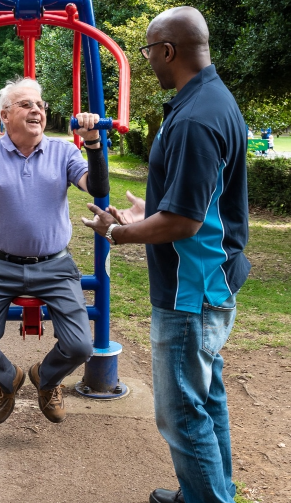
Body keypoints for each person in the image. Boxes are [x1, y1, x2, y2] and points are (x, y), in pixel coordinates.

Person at [81, 7, 250, 503]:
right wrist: (146, 211)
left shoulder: (197, 118)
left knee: (179, 411)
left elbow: (184, 222)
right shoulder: (209, 100)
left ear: (168, 51)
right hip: (210, 282)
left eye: (148, 49)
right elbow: (193, 202)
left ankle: (208, 498)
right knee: (207, 397)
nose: (148, 59)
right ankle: (211, 490)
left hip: (192, 294)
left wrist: (120, 233)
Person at [0, 77, 109, 425]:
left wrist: (93, 143)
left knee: (81, 347)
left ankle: (46, 378)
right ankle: (10, 378)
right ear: (4, 115)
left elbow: (96, 186)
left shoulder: (64, 151)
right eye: (26, 104)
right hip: (2, 267)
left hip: (55, 265)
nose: (37, 110)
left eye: (40, 105)